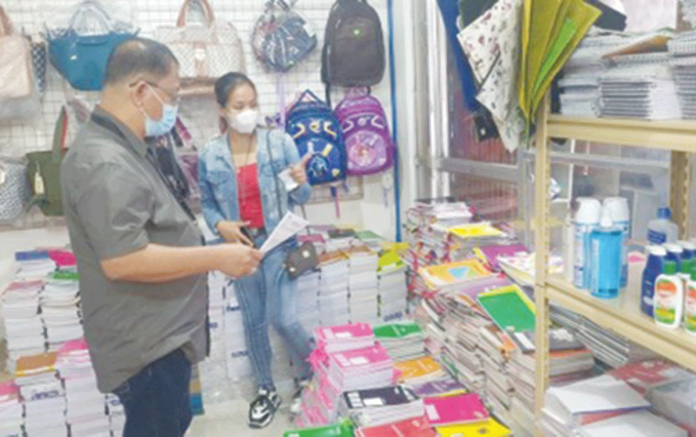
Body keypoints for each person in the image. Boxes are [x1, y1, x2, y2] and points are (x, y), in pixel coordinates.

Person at [60, 38, 263, 437]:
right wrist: (214, 258)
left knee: (170, 422)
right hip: (145, 347)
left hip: (159, 336)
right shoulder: (105, 160)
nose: (174, 108)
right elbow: (123, 260)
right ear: (140, 91)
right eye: (172, 96)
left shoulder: (126, 147)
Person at [198, 72, 313, 429]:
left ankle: (312, 375)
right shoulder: (211, 155)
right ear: (222, 109)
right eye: (239, 106)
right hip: (239, 247)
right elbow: (207, 203)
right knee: (253, 320)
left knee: (284, 317)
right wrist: (220, 226)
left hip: (278, 242)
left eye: (253, 104)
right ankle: (266, 390)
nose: (248, 112)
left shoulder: (279, 144)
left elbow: (302, 198)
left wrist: (300, 181)